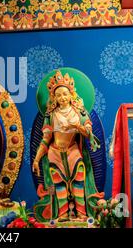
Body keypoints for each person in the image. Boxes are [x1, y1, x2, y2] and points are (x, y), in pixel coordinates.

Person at [33, 70, 103, 221]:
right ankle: (63, 214)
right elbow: (45, 139)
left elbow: (88, 134)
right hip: (54, 153)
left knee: (79, 180)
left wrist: (77, 126)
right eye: (58, 95)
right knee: (58, 185)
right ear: (54, 98)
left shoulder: (80, 112)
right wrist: (37, 159)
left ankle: (82, 214)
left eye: (65, 94)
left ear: (71, 94)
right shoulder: (50, 115)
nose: (62, 98)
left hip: (73, 151)